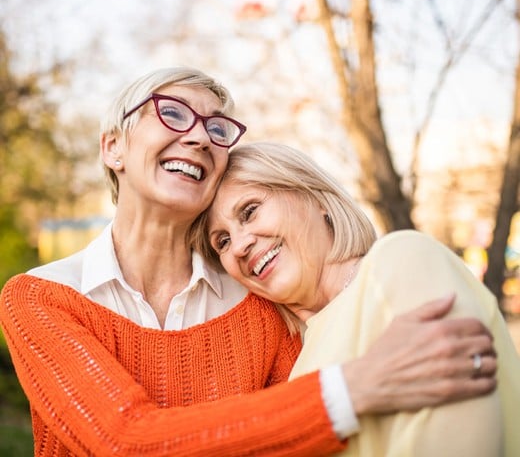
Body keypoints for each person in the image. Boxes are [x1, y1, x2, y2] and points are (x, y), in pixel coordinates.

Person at [0, 68, 497, 457]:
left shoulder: (259, 306)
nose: (198, 137)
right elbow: (120, 442)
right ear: (113, 147)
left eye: (217, 129)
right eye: (172, 113)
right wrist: (352, 390)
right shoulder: (40, 297)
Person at [197, 141, 520, 457]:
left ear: (315, 197)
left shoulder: (400, 260)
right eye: (222, 241)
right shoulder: (298, 367)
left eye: (250, 211)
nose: (238, 245)